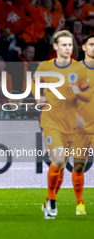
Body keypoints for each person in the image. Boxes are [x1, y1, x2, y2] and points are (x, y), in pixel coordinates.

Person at [31, 30, 91, 219]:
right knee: (57, 160)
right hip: (50, 121)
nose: (67, 48)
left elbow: (88, 95)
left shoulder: (79, 69)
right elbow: (34, 83)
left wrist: (78, 94)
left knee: (62, 164)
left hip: (70, 124)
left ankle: (48, 202)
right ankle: (51, 201)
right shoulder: (44, 67)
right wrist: (38, 96)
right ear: (55, 47)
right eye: (63, 44)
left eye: (69, 44)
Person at [71, 34, 94, 215]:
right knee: (79, 165)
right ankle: (80, 203)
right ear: (84, 47)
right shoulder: (75, 70)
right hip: (80, 127)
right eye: (91, 44)